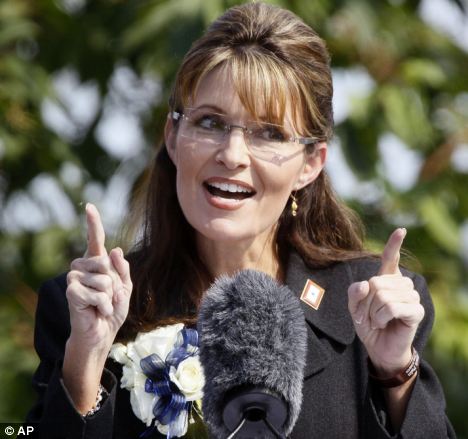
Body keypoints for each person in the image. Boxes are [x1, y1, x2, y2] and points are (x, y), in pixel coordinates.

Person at [26, 2, 455, 438]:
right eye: (211, 122)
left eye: (269, 133)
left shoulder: (370, 303)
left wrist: (394, 373)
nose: (232, 155)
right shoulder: (87, 308)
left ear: (311, 163)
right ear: (173, 137)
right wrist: (86, 363)